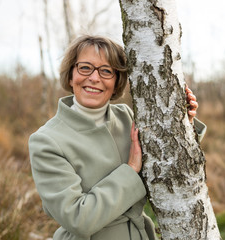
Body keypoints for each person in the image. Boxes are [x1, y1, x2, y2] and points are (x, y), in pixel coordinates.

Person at [28, 35, 206, 240]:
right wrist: (130, 170)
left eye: (106, 71)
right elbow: (78, 219)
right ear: (70, 75)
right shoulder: (46, 140)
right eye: (85, 67)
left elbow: (165, 167)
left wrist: (182, 124)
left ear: (116, 81)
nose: (94, 78)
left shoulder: (127, 116)